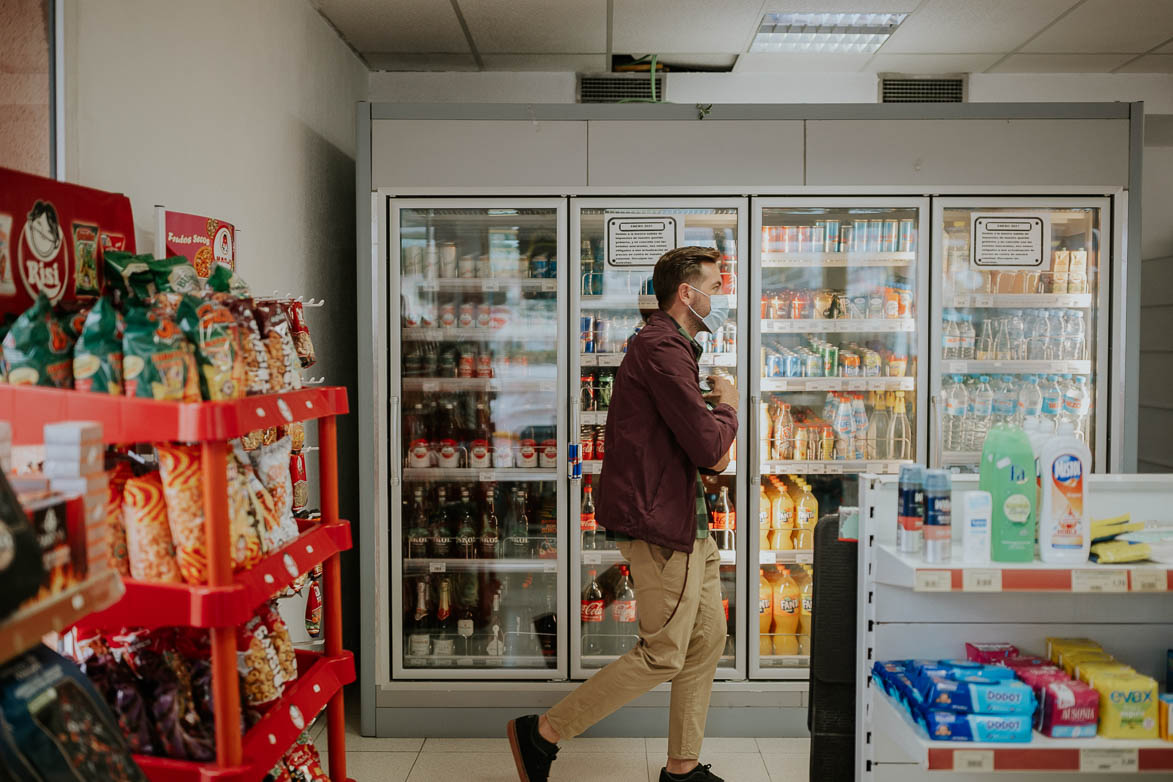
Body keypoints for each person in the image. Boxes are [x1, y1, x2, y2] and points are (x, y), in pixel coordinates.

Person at [508, 246, 739, 782]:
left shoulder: (673, 346)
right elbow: (710, 450)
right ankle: (542, 733)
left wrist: (714, 434)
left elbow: (699, 449)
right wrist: (729, 404)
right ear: (688, 293)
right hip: (663, 523)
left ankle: (682, 768)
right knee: (663, 653)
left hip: (686, 519)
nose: (720, 297)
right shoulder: (663, 348)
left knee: (706, 642)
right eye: (715, 286)